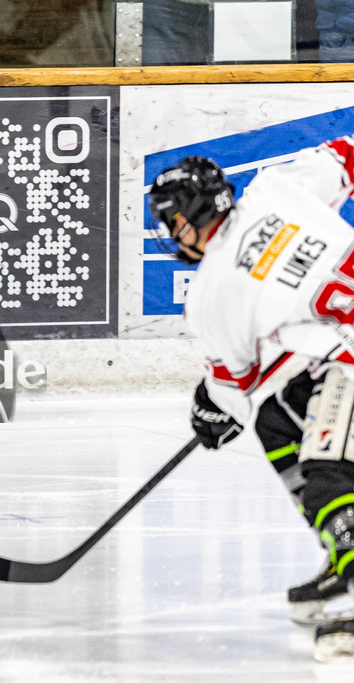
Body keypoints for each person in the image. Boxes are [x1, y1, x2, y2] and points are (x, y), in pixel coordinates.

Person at [147, 141, 354, 662]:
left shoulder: (212, 292)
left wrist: (209, 409)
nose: (172, 235)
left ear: (195, 215)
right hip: (338, 347)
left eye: (173, 222)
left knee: (328, 473)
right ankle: (344, 551)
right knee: (278, 420)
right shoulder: (276, 189)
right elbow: (346, 155)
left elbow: (233, 390)